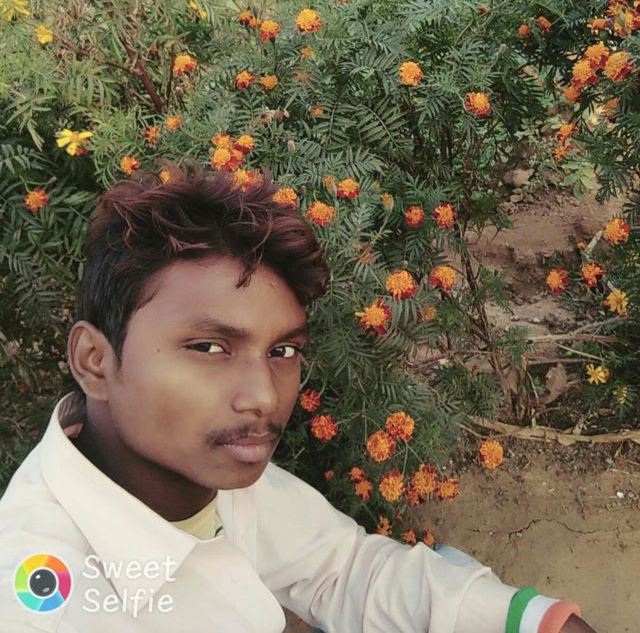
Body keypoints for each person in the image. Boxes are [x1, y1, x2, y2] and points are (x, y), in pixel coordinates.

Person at [0, 163, 597, 632]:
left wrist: (534, 621)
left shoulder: (196, 466)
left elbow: (340, 570)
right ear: (95, 361)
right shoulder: (39, 603)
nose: (263, 396)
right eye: (208, 348)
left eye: (283, 350)